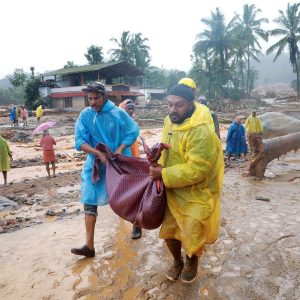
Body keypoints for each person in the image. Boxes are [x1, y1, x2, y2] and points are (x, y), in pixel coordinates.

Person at [149, 84, 224, 283]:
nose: (173, 110)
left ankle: (191, 262)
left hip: (197, 191)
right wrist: (157, 153)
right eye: (169, 105)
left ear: (191, 104)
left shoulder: (201, 132)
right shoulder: (168, 121)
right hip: (172, 188)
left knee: (192, 232)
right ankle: (177, 262)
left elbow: (198, 170)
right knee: (170, 232)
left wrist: (163, 174)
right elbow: (168, 148)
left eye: (179, 105)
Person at [71, 82, 139, 258]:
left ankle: (136, 222)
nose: (93, 102)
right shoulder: (85, 115)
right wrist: (97, 153)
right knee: (89, 198)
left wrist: (119, 149)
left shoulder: (118, 113)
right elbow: (79, 141)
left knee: (125, 196)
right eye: (90, 99)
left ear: (104, 96)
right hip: (96, 164)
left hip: (119, 161)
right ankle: (89, 246)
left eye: (96, 98)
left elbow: (132, 131)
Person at [119, 99, 142, 239]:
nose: (131, 110)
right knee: (122, 192)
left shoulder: (133, 123)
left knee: (135, 193)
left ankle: (137, 225)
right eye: (128, 108)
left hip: (134, 159)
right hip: (120, 160)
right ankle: (123, 220)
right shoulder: (117, 121)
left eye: (133, 108)